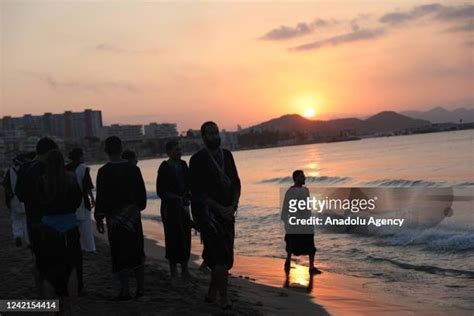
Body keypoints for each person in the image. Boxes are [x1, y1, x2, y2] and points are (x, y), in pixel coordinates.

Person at [189, 121, 241, 309]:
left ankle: (211, 293)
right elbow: (197, 193)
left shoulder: (227, 156)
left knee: (224, 257)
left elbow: (236, 183)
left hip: (228, 215)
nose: (214, 136)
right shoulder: (197, 160)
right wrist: (218, 208)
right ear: (203, 137)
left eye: (216, 132)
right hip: (209, 217)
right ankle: (224, 298)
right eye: (209, 133)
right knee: (220, 257)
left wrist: (233, 205)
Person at [95, 136, 147, 300]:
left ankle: (125, 290)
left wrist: (99, 217)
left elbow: (101, 197)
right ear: (121, 148)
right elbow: (141, 195)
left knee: (119, 253)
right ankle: (140, 289)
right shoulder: (133, 169)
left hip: (114, 219)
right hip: (132, 217)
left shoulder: (103, 171)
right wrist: (138, 208)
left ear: (106, 151)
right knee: (137, 251)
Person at [36, 149, 82, 305]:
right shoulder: (71, 178)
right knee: (71, 268)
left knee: (49, 272)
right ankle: (73, 308)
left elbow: (38, 203)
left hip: (48, 229)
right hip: (69, 228)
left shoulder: (42, 181)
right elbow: (77, 202)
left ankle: (50, 308)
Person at [15, 137, 59, 296]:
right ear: (49, 152)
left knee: (37, 257)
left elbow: (19, 195)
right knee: (51, 259)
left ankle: (40, 291)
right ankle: (50, 294)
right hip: (47, 218)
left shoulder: (24, 168)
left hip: (31, 217)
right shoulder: (44, 168)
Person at [156, 140, 192, 283]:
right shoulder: (164, 167)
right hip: (169, 208)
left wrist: (188, 195)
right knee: (172, 237)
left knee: (186, 236)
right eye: (177, 150)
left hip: (183, 207)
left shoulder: (183, 165)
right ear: (169, 152)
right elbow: (161, 191)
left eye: (180, 149)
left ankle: (185, 269)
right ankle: (173, 271)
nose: (180, 152)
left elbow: (189, 184)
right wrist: (175, 198)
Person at [281, 170, 321, 275]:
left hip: (306, 222)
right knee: (291, 244)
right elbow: (286, 207)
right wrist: (287, 222)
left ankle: (311, 267)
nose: (304, 178)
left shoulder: (306, 190)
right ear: (296, 178)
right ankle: (288, 261)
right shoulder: (290, 191)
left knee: (310, 245)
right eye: (302, 176)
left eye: (304, 176)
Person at [66, 148, 96, 252]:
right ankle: (90, 248)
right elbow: (87, 186)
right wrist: (92, 198)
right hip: (83, 199)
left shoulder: (66, 168)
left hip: (70, 201)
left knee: (76, 225)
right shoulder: (84, 168)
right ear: (80, 156)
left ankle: (81, 246)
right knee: (86, 225)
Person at [3, 154, 30, 247]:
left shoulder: (10, 171)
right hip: (26, 198)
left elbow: (6, 185)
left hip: (14, 198)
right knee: (25, 219)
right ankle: (28, 240)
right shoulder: (27, 170)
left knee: (15, 218)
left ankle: (17, 236)